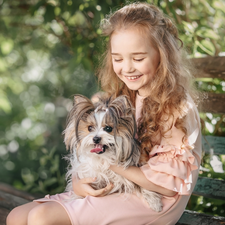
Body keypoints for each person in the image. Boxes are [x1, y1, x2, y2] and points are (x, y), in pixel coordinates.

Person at [6, 2, 202, 225]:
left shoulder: (174, 107)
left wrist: (110, 163)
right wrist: (80, 183)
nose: (127, 68)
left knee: (42, 217)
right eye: (118, 58)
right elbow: (92, 150)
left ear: (162, 55)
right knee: (16, 217)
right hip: (117, 184)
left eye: (138, 59)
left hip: (154, 200)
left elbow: (166, 186)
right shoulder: (125, 95)